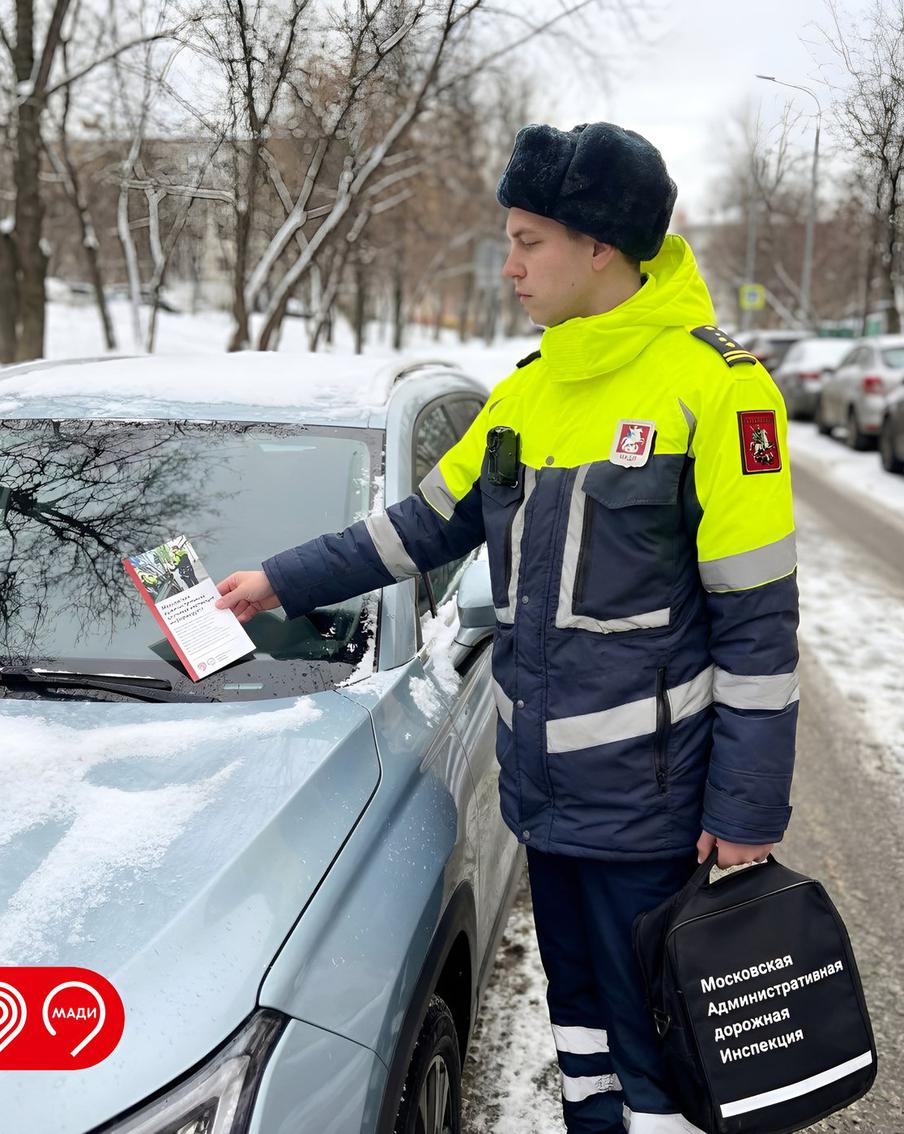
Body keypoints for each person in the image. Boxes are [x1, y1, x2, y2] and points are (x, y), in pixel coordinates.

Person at [214, 121, 799, 1134]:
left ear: (599, 246)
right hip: (543, 801)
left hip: (650, 816)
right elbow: (416, 527)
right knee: (580, 1037)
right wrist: (274, 579)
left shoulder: (718, 390)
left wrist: (747, 812)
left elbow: (757, 629)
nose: (510, 263)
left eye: (529, 240)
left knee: (657, 1056)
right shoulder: (525, 394)